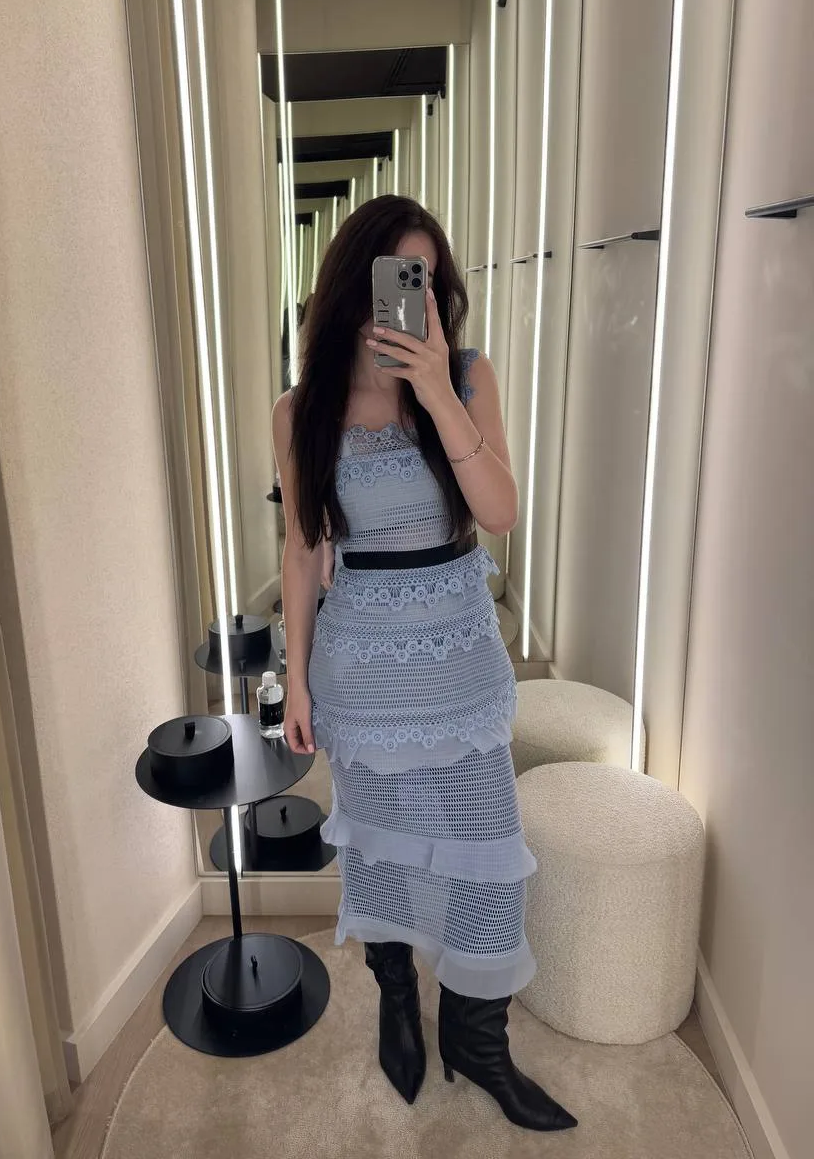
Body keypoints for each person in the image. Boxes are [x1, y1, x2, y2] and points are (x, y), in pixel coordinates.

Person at [270, 195, 576, 1131]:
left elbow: (501, 513)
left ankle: (480, 1044)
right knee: (383, 857)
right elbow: (303, 550)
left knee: (489, 867)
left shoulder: (469, 377)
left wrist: (438, 390)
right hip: (359, 677)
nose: (418, 298)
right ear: (353, 286)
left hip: (462, 666)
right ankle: (399, 1005)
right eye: (399, 278)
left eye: (430, 282)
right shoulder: (302, 410)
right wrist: (296, 679)